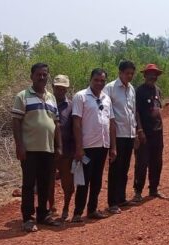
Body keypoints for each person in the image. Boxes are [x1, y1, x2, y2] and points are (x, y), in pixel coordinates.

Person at [11, 63, 62, 232]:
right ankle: (28, 218)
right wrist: (19, 145)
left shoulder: (51, 97)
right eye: (38, 74)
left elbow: (56, 123)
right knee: (28, 184)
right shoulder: (23, 96)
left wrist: (59, 146)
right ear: (32, 76)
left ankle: (43, 215)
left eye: (45, 74)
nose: (42, 77)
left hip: (48, 148)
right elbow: (16, 122)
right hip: (30, 149)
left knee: (45, 183)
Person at [72, 68, 117, 221]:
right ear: (90, 80)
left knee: (97, 180)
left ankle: (92, 210)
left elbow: (111, 123)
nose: (99, 83)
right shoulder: (81, 96)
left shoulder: (106, 98)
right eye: (96, 80)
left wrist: (113, 147)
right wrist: (79, 147)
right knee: (84, 181)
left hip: (103, 146)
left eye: (102, 81)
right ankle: (77, 213)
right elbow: (76, 123)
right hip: (87, 147)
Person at [104, 60, 137, 214]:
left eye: (131, 73)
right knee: (115, 169)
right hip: (117, 135)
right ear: (120, 73)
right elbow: (106, 112)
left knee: (124, 168)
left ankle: (121, 198)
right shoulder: (110, 88)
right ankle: (112, 202)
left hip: (129, 133)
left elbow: (132, 111)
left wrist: (136, 132)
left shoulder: (131, 89)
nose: (129, 76)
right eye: (127, 73)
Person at [132, 64, 166, 202]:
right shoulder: (139, 91)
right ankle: (138, 192)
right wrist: (139, 130)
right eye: (150, 74)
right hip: (144, 133)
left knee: (157, 162)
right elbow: (136, 112)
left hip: (157, 132)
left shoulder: (157, 90)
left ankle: (154, 189)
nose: (153, 76)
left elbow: (158, 110)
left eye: (155, 74)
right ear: (145, 75)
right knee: (142, 162)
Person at [47, 74, 75, 221]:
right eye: (58, 88)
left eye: (63, 88)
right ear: (53, 87)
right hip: (48, 149)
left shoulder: (71, 106)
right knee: (48, 181)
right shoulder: (46, 103)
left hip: (66, 151)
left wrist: (76, 149)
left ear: (67, 89)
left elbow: (75, 128)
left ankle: (66, 207)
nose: (60, 91)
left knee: (67, 181)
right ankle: (51, 207)